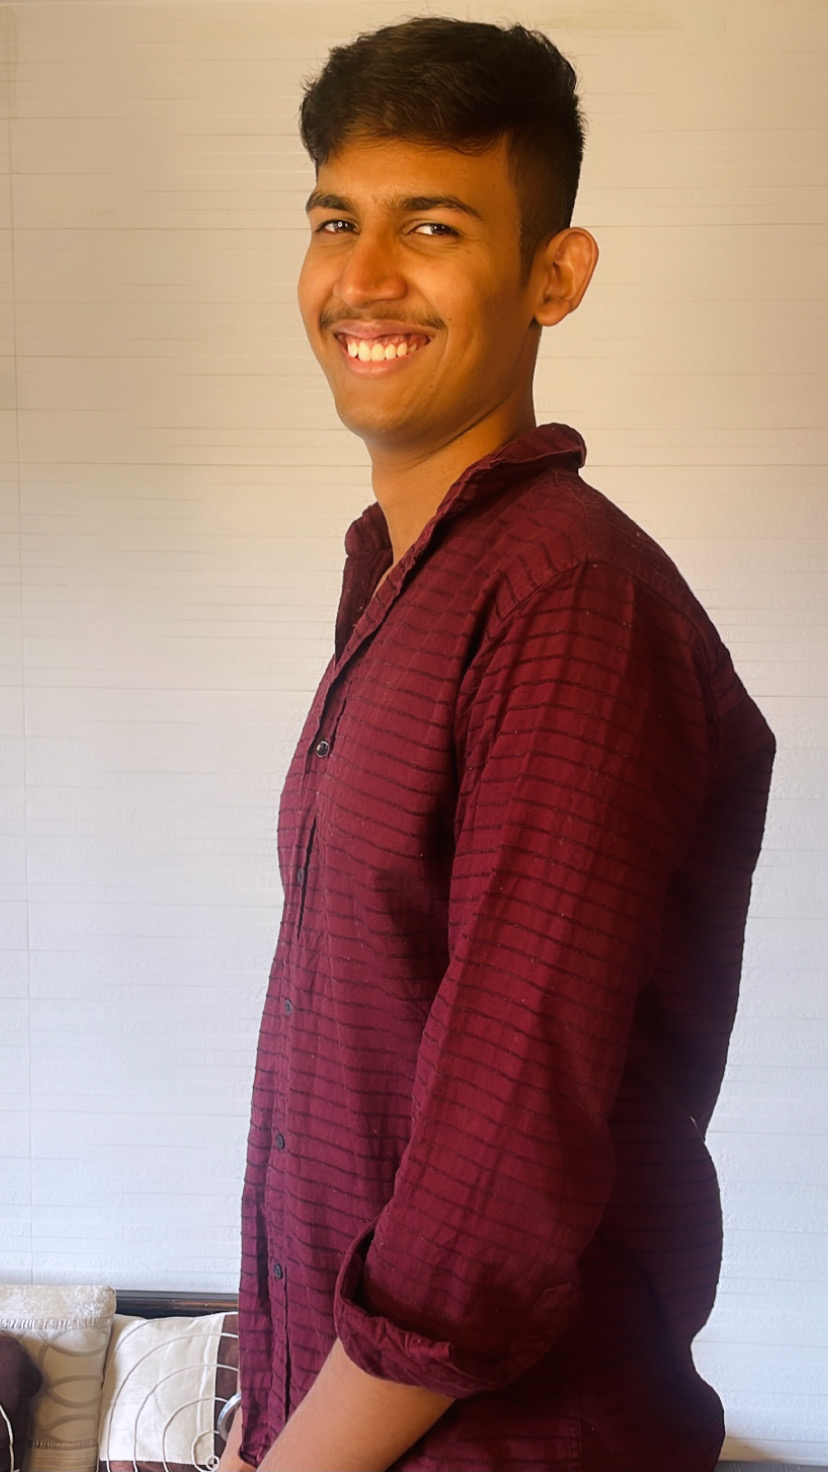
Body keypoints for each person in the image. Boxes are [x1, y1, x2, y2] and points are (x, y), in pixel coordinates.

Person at [218, 17, 775, 1472]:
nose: (364, 277)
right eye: (335, 221)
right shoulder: (406, 581)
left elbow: (502, 1157)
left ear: (554, 276)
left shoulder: (569, 603)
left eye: (433, 226)